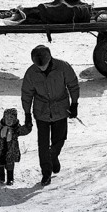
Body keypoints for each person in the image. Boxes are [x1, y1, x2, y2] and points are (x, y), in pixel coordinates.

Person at [21, 45, 79, 186]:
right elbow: (27, 94)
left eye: (44, 65)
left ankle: (53, 156)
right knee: (43, 144)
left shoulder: (63, 67)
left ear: (50, 59)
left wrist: (74, 103)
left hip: (60, 109)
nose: (41, 68)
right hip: (41, 111)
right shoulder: (31, 72)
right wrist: (27, 114)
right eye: (38, 66)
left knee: (59, 139)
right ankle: (46, 173)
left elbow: (73, 85)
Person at [0, 108, 31, 185]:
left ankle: (10, 179)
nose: (9, 120)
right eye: (7, 118)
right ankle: (1, 177)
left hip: (11, 150)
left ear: (15, 119)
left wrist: (28, 124)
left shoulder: (16, 129)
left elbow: (25, 130)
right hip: (0, 150)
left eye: (11, 118)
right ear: (4, 118)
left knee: (10, 164)